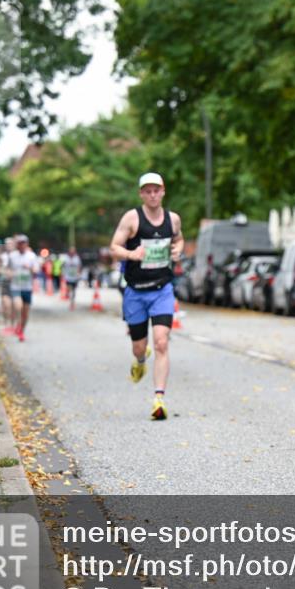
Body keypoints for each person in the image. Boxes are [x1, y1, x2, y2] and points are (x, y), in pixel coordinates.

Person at [109, 172, 184, 420]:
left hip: (162, 289)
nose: (152, 195)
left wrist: (177, 251)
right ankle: (140, 360)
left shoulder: (172, 219)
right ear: (141, 194)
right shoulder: (132, 218)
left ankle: (159, 399)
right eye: (147, 191)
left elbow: (180, 240)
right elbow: (114, 247)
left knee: (162, 342)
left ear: (163, 191)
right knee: (139, 346)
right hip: (136, 292)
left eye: (156, 190)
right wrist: (132, 255)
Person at [7, 234, 40, 342]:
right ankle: (18, 324)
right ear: (17, 245)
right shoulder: (12, 256)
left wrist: (29, 268)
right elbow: (7, 269)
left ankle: (21, 331)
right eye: (19, 243)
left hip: (27, 287)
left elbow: (36, 271)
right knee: (18, 306)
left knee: (25, 313)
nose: (21, 245)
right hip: (15, 286)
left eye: (23, 243)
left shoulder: (32, 256)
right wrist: (9, 274)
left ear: (27, 244)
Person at [0, 237, 17, 333]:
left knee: (14, 306)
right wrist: (5, 272)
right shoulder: (2, 256)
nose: (9, 246)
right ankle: (6, 324)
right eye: (7, 244)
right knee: (6, 305)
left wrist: (14, 273)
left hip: (15, 283)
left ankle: (13, 326)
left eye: (10, 244)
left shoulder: (17, 256)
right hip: (5, 282)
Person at [63, 246, 82, 310]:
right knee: (69, 288)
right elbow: (63, 266)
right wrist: (63, 273)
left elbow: (79, 266)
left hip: (74, 277)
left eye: (73, 251)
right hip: (68, 276)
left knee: (73, 290)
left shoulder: (77, 258)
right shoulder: (66, 258)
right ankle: (69, 294)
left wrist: (79, 273)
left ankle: (72, 302)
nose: (72, 252)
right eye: (71, 251)